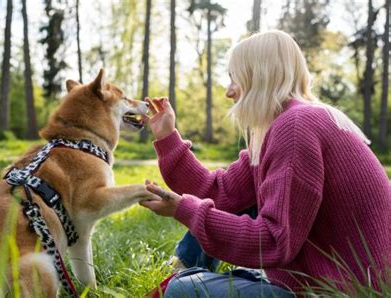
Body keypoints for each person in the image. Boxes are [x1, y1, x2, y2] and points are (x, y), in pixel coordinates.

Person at [139, 30, 390, 297]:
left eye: (235, 79)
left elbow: (274, 241)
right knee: (230, 210)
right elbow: (218, 191)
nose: (229, 92)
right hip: (320, 277)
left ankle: (181, 280)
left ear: (258, 76)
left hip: (340, 291)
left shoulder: (295, 127)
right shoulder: (287, 124)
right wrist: (167, 137)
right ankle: (186, 271)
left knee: (183, 291)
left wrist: (184, 209)